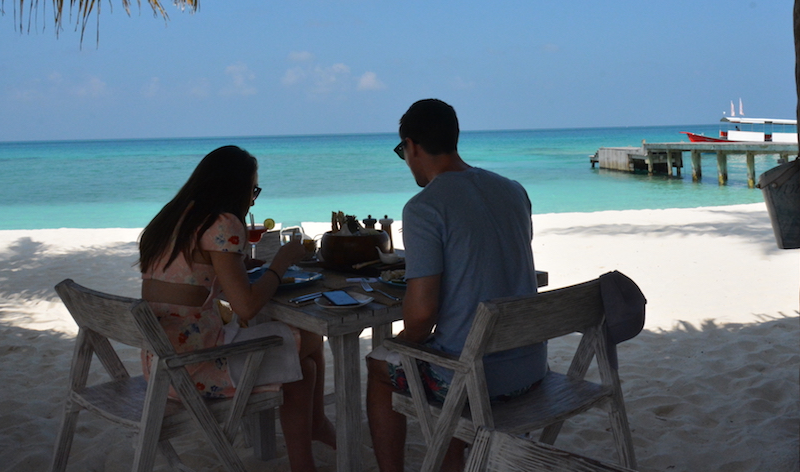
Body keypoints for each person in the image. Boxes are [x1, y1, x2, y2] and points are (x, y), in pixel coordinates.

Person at [366, 99, 548, 472]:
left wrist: (395, 344)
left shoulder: (424, 208)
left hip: (475, 380)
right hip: (531, 367)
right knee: (446, 354)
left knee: (378, 365)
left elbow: (420, 316)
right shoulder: (514, 191)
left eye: (403, 151)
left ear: (412, 146)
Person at [138, 145, 335, 472]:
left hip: (159, 363)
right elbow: (245, 307)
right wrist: (280, 265)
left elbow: (193, 276)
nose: (253, 199)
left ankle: (310, 447)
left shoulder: (174, 218)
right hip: (194, 368)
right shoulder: (223, 223)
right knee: (312, 340)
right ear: (236, 187)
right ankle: (314, 433)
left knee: (305, 370)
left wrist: (239, 265)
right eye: (253, 189)